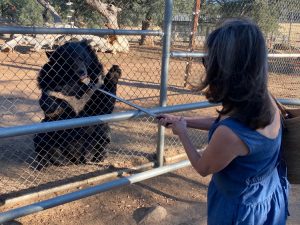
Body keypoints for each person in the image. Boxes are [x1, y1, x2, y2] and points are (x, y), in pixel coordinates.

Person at [158, 18, 289, 225]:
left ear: (226, 69)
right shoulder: (264, 99)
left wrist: (182, 133)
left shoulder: (230, 135)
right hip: (267, 195)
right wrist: (184, 121)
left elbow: (203, 167)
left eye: (209, 60)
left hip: (240, 211)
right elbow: (225, 123)